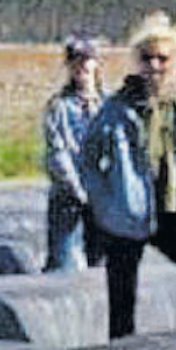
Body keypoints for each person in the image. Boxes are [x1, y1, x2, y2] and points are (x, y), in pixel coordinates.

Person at [80, 12, 176, 339]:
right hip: (127, 215)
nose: (155, 66)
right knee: (122, 303)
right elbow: (89, 160)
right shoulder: (117, 108)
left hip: (174, 212)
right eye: (147, 58)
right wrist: (104, 204)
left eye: (162, 58)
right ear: (138, 61)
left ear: (174, 61)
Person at [42, 36, 107, 272]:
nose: (81, 66)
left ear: (96, 64)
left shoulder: (110, 106)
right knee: (64, 266)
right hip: (68, 198)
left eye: (87, 60)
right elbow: (57, 154)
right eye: (75, 61)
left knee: (103, 267)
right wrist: (80, 191)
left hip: (104, 201)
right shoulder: (58, 107)